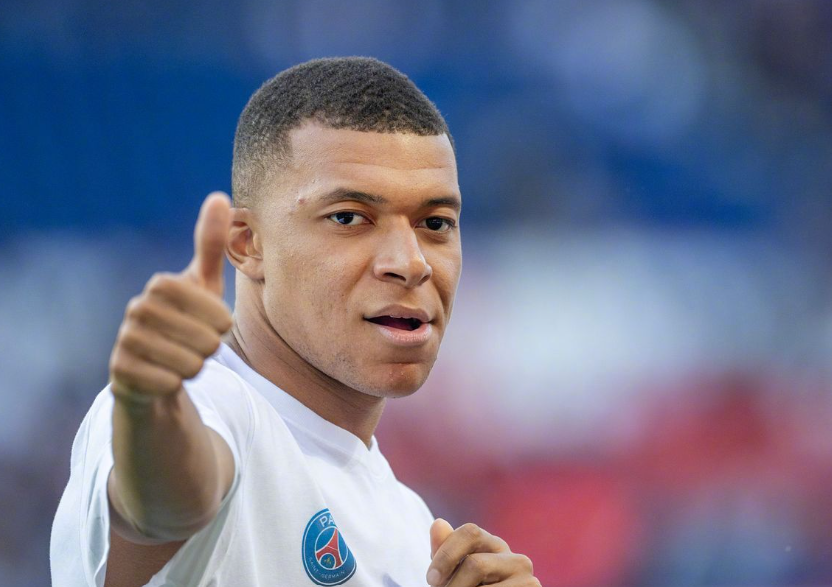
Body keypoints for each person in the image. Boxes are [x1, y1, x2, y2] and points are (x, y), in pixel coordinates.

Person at [51, 57, 539, 587]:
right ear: (247, 245)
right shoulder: (212, 406)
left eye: (436, 223)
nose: (411, 262)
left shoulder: (414, 527)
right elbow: (166, 501)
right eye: (348, 217)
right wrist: (150, 408)